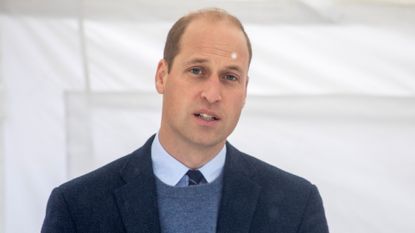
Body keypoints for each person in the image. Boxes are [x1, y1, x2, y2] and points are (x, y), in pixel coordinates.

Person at [41, 8, 329, 233]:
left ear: (245, 92)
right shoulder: (78, 207)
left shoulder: (297, 205)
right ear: (162, 76)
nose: (212, 94)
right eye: (197, 71)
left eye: (230, 77)